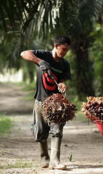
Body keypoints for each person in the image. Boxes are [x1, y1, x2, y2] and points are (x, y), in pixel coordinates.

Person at [20, 35, 71, 170]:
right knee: (41, 132)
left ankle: (55, 160)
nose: (65, 53)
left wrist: (62, 84)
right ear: (56, 46)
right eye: (63, 49)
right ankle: (45, 158)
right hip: (40, 100)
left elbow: (62, 79)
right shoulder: (44, 55)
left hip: (56, 102)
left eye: (67, 50)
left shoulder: (65, 64)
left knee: (57, 130)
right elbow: (24, 53)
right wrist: (39, 61)